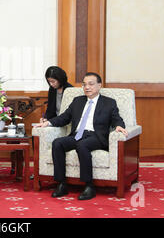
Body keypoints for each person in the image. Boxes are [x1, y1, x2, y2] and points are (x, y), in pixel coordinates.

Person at [37, 72, 127, 200]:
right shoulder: (78, 101)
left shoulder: (109, 103)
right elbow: (64, 117)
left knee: (82, 145)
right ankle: (62, 184)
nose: (87, 87)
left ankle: (89, 186)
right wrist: (48, 122)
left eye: (91, 84)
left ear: (99, 85)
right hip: (77, 134)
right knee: (57, 143)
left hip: (96, 136)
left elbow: (117, 119)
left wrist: (119, 126)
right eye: (84, 84)